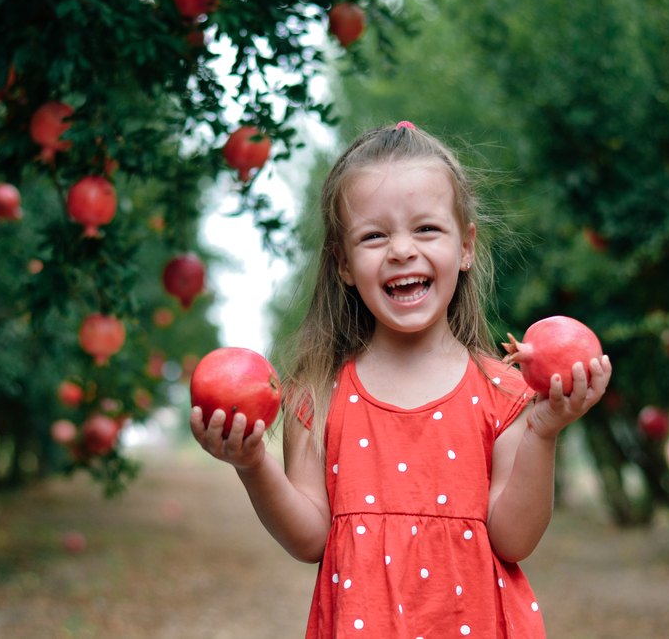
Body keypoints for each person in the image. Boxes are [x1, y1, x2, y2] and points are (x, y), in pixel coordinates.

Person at [190, 122, 612, 638]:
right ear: (344, 264)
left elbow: (514, 539)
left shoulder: (502, 393)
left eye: (427, 229)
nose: (401, 250)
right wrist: (252, 465)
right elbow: (309, 540)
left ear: (466, 246)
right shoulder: (318, 395)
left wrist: (543, 433)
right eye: (374, 236)